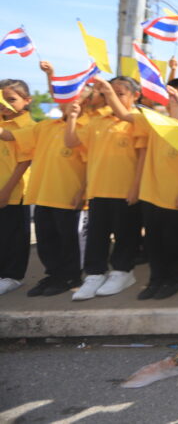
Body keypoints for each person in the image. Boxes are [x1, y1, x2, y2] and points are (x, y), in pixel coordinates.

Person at [0, 70, 86, 297]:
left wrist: (83, 191)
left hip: (66, 194)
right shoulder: (46, 126)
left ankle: (69, 276)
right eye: (63, 100)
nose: (67, 104)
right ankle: (53, 275)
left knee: (67, 238)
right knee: (47, 239)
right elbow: (9, 135)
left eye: (72, 100)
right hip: (42, 193)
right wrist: (51, 76)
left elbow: (90, 163)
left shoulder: (84, 128)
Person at [65, 77, 145, 301]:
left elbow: (142, 157)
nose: (112, 98)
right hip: (98, 189)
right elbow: (71, 142)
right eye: (110, 93)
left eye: (120, 93)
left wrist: (136, 187)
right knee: (97, 236)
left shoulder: (137, 119)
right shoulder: (97, 121)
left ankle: (123, 272)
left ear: (135, 96)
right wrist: (72, 118)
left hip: (124, 189)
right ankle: (94, 274)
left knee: (125, 234)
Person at [135, 79, 178, 300]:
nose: (170, 101)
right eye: (169, 97)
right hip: (152, 192)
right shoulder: (157, 120)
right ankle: (156, 278)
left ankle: (175, 278)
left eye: (176, 98)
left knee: (175, 240)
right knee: (153, 240)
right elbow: (125, 114)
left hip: (176, 193)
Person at [0, 79, 33, 296]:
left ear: (27, 101)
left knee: (13, 235)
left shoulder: (28, 127)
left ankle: (12, 276)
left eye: (11, 99)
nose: (5, 104)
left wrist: (6, 191)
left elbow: (24, 162)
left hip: (14, 191)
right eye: (1, 99)